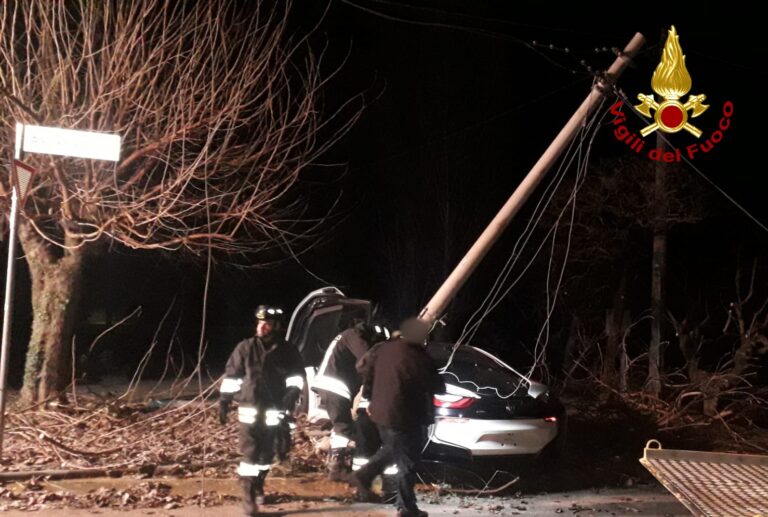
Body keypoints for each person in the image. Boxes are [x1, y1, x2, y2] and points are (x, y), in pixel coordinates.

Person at [348, 317, 445, 517]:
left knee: (393, 450)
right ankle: (406, 508)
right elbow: (437, 386)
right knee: (407, 463)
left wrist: (369, 395)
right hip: (405, 416)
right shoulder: (419, 357)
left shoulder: (383, 349)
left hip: (381, 413)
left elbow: (363, 369)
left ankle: (363, 476)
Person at [219, 305, 305, 516]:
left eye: (266, 324)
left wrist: (292, 393)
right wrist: (224, 401)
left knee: (268, 452)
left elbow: (296, 377)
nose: (261, 327)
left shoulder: (288, 351)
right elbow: (232, 376)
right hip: (250, 407)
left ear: (276, 326)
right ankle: (248, 495)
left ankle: (258, 483)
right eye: (259, 323)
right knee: (251, 451)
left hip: (275, 409)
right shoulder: (245, 348)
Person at [312, 319, 387, 480]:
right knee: (343, 427)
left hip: (334, 386)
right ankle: (337, 468)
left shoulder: (350, 335)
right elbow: (367, 359)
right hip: (335, 385)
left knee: (343, 425)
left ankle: (337, 464)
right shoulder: (355, 336)